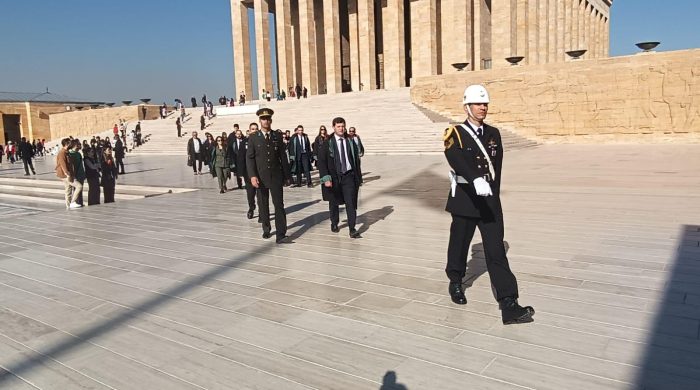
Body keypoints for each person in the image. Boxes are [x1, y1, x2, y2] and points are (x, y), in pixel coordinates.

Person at [443, 84, 534, 325]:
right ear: (467, 106)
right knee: (459, 244)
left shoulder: (493, 133)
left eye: (485, 104)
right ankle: (455, 281)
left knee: (496, 251)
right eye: (478, 104)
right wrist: (474, 179)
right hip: (465, 199)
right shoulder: (455, 133)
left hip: (489, 201)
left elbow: (498, 167)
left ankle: (509, 303)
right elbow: (455, 158)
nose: (483, 108)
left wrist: (494, 195)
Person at [246, 108, 292, 243]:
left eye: (268, 118)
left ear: (271, 120)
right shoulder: (253, 138)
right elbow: (250, 158)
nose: (266, 121)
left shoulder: (277, 136)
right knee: (263, 204)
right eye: (263, 119)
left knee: (279, 204)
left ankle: (281, 233)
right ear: (260, 121)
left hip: (276, 175)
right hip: (260, 176)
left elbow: (283, 157)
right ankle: (266, 228)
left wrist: (287, 175)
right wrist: (252, 176)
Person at [318, 117, 363, 238]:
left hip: (349, 176)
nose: (341, 128)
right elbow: (321, 162)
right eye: (338, 126)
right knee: (334, 202)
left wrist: (358, 177)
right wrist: (325, 178)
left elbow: (356, 160)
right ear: (333, 127)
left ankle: (352, 228)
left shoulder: (350, 140)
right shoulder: (328, 143)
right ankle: (334, 222)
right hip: (334, 177)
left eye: (343, 126)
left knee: (351, 202)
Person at [230, 126, 257, 218]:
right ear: (249, 131)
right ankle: (251, 207)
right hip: (248, 171)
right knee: (250, 192)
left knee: (261, 193)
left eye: (256, 129)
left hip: (260, 171)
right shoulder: (244, 142)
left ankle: (263, 212)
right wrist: (240, 172)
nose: (254, 130)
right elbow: (240, 158)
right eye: (252, 129)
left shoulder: (262, 140)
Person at [55, 138, 83, 209]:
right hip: (65, 175)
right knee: (79, 186)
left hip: (67, 174)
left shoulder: (66, 152)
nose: (71, 144)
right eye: (70, 143)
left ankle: (68, 206)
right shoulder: (62, 153)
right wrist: (68, 175)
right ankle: (73, 202)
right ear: (67, 144)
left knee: (68, 190)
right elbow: (63, 164)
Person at [68, 140, 86, 205]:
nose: (79, 146)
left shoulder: (78, 154)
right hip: (76, 175)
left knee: (80, 190)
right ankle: (75, 202)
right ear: (74, 145)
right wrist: (73, 176)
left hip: (81, 174)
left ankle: (80, 203)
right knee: (76, 189)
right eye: (77, 145)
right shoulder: (71, 154)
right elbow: (73, 166)